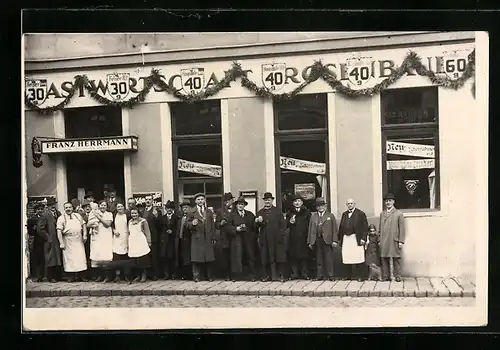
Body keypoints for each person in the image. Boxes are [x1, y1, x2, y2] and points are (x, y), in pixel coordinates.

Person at [255, 192, 287, 282]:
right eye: (265, 200)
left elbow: (283, 224)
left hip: (276, 237)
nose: (267, 202)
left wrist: (281, 234)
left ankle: (279, 275)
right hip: (265, 238)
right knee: (266, 257)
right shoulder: (260, 212)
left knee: (279, 257)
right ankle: (267, 276)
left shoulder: (278, 211)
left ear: (272, 200)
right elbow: (255, 227)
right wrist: (258, 221)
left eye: (269, 200)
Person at [187, 193, 216, 282]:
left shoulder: (209, 212)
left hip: (207, 237)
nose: (200, 201)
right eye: (198, 199)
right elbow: (186, 224)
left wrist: (213, 237)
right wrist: (192, 224)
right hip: (197, 237)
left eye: (202, 199)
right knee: (196, 259)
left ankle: (209, 276)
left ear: (204, 201)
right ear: (195, 201)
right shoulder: (191, 211)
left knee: (208, 258)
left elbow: (212, 226)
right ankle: (196, 276)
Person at [307, 198, 338, 281]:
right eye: (319, 206)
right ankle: (319, 275)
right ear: (316, 207)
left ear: (325, 206)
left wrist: (335, 240)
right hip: (317, 239)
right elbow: (310, 229)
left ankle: (331, 275)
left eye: (322, 206)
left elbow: (334, 229)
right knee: (319, 258)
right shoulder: (313, 216)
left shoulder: (330, 216)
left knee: (329, 258)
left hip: (327, 240)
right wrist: (310, 241)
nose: (320, 208)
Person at [56, 202, 88, 282]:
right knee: (69, 259)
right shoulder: (61, 218)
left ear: (72, 208)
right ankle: (71, 277)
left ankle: (82, 276)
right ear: (64, 209)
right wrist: (61, 243)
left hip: (78, 239)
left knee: (80, 257)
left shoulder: (77, 216)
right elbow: (59, 231)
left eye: (70, 207)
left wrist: (85, 235)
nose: (68, 209)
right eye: (66, 208)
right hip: (68, 240)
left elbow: (83, 225)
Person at [227, 196, 257, 281]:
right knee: (237, 257)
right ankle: (237, 276)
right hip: (236, 239)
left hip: (248, 239)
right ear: (236, 205)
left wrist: (251, 232)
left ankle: (251, 276)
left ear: (244, 205)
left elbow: (254, 226)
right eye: (239, 204)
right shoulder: (232, 215)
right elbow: (227, 227)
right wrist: (236, 229)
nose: (240, 206)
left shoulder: (250, 214)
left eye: (242, 204)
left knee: (250, 256)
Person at [338, 198, 369, 281]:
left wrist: (363, 238)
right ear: (346, 205)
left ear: (354, 204)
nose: (350, 205)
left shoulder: (360, 214)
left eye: (351, 203)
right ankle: (347, 276)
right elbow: (341, 227)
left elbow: (365, 227)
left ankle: (360, 276)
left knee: (358, 256)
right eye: (348, 203)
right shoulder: (344, 214)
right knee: (347, 256)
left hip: (356, 238)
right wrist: (340, 239)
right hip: (346, 238)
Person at [379, 193, 406, 282]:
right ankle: (386, 275)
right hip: (384, 239)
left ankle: (397, 275)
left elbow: (402, 228)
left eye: (390, 201)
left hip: (394, 239)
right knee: (384, 257)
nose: (388, 203)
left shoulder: (398, 213)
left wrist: (401, 241)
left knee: (396, 258)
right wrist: (379, 239)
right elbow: (380, 227)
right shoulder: (382, 214)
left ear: (393, 202)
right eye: (386, 201)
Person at [86, 200, 114, 282]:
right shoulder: (94, 213)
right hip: (97, 237)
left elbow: (107, 224)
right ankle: (100, 276)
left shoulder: (109, 214)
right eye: (101, 205)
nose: (103, 206)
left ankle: (107, 276)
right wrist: (93, 223)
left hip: (106, 237)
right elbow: (88, 224)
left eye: (105, 205)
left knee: (105, 256)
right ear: (98, 206)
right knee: (98, 256)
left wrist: (98, 217)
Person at [286, 194, 311, 280]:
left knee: (304, 257)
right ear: (293, 203)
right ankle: (294, 274)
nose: (297, 203)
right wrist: (290, 222)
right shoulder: (289, 212)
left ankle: (305, 274)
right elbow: (286, 225)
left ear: (302, 203)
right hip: (293, 238)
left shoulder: (307, 212)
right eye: (295, 201)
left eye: (299, 201)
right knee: (293, 257)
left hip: (304, 237)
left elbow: (310, 224)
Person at [36, 201, 63, 282]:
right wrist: (48, 238)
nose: (53, 206)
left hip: (58, 239)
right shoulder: (45, 215)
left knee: (58, 257)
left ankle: (58, 276)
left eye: (54, 205)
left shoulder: (58, 214)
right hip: (51, 240)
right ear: (48, 206)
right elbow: (40, 228)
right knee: (50, 258)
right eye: (51, 205)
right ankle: (51, 277)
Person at [128, 208, 152, 283]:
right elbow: (129, 232)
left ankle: (143, 275)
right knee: (135, 259)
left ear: (138, 213)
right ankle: (138, 275)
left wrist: (149, 242)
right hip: (133, 242)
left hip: (141, 241)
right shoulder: (130, 222)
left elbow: (147, 232)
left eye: (135, 213)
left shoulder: (143, 221)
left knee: (143, 258)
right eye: (132, 213)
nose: (134, 215)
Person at [215, 192, 235, 280]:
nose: (228, 202)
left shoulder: (236, 209)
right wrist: (220, 223)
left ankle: (235, 274)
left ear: (232, 200)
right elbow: (216, 224)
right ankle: (226, 275)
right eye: (226, 201)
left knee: (234, 255)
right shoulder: (220, 211)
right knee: (225, 257)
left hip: (234, 235)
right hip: (224, 237)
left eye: (229, 200)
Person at [142, 195, 162, 280]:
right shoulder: (142, 211)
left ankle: (155, 274)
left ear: (152, 201)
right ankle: (147, 274)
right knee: (146, 256)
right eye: (146, 200)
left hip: (153, 236)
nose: (148, 201)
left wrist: (156, 216)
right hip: (143, 237)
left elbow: (160, 224)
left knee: (154, 256)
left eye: (150, 200)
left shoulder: (156, 211)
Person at [111, 202, 131, 282]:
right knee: (116, 256)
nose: (120, 208)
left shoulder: (127, 216)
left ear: (124, 207)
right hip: (116, 238)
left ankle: (126, 275)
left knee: (125, 256)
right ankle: (117, 275)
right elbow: (111, 225)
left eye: (121, 206)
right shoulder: (114, 215)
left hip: (125, 237)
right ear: (116, 208)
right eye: (118, 207)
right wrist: (114, 230)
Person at [159, 200, 179, 280]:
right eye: (167, 208)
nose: (169, 210)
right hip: (164, 240)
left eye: (171, 208)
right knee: (165, 257)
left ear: (173, 209)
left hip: (172, 240)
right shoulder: (162, 218)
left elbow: (178, 228)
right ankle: (166, 274)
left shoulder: (176, 218)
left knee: (172, 257)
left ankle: (173, 273)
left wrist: (172, 231)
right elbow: (159, 228)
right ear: (165, 209)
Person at [29, 203, 47, 282]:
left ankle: (44, 275)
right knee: (38, 258)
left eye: (41, 209)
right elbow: (30, 231)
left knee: (44, 258)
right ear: (35, 210)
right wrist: (34, 229)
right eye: (38, 209)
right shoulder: (32, 219)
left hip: (44, 240)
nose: (40, 211)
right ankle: (38, 276)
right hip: (36, 241)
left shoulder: (45, 217)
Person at [177, 199, 193, 280]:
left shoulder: (191, 217)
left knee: (188, 257)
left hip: (188, 239)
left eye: (186, 207)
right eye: (183, 208)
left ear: (189, 208)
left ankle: (189, 274)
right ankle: (183, 274)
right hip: (181, 239)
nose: (185, 209)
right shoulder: (180, 218)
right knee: (182, 257)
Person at [79, 199, 93, 280]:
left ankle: (92, 274)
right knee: (84, 255)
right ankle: (84, 274)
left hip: (93, 238)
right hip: (84, 239)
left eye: (88, 206)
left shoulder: (93, 214)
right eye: (85, 207)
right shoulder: (80, 216)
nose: (87, 208)